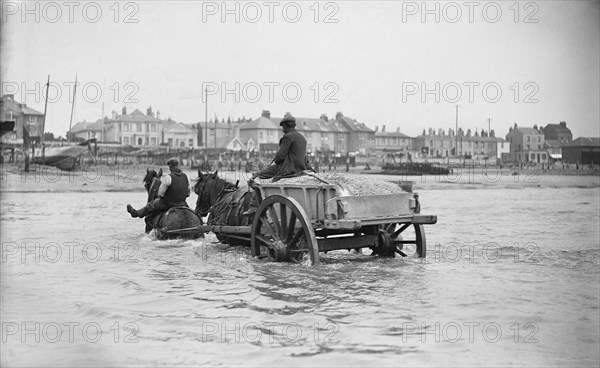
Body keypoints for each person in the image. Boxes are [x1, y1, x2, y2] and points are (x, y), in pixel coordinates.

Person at [249, 112, 309, 182]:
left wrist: (276, 160)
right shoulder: (302, 137)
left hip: (289, 168)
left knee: (258, 175)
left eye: (283, 126)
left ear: (286, 126)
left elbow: (280, 156)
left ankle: (254, 189)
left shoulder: (288, 137)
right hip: (301, 167)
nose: (282, 129)